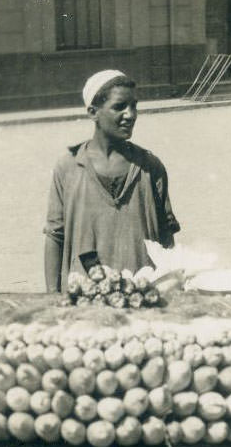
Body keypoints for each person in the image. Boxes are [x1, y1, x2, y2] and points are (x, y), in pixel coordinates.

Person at [43, 69, 180, 292]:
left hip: (142, 294)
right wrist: (52, 295)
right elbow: (54, 235)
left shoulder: (150, 167)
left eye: (134, 106)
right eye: (119, 107)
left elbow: (167, 238)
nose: (131, 114)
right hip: (85, 296)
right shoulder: (68, 167)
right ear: (93, 112)